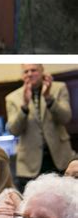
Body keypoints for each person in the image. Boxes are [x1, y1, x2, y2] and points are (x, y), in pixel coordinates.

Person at [6, 64, 75, 192]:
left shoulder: (59, 88)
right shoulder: (12, 98)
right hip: (30, 163)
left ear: (42, 72)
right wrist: (24, 107)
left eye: (34, 70)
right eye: (26, 71)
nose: (30, 74)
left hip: (59, 157)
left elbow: (66, 118)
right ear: (22, 75)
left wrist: (49, 98)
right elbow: (13, 130)